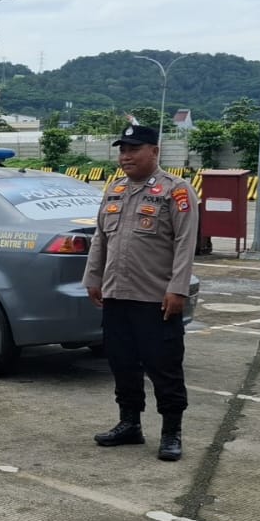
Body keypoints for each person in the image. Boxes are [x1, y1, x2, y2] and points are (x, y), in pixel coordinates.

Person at [83, 121, 197, 461]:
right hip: (117, 296)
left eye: (134, 149)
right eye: (122, 150)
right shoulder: (114, 190)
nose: (126, 156)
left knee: (164, 367)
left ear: (154, 151)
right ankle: (129, 423)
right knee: (122, 364)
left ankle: (171, 432)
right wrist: (93, 278)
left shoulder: (176, 190)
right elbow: (101, 238)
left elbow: (185, 243)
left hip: (155, 299)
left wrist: (178, 289)